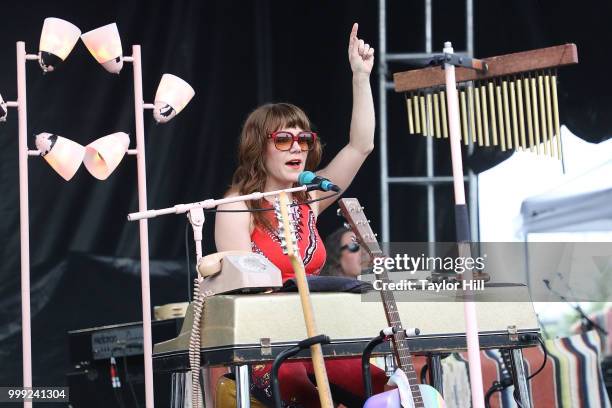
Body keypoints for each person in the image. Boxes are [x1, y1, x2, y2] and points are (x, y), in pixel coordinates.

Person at [215, 23, 385, 407]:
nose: (298, 147)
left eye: (303, 139)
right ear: (260, 148)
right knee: (298, 389)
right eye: (283, 139)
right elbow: (238, 296)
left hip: (318, 337)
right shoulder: (237, 204)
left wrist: (361, 77)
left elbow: (361, 146)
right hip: (265, 346)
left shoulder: (309, 198)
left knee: (381, 384)